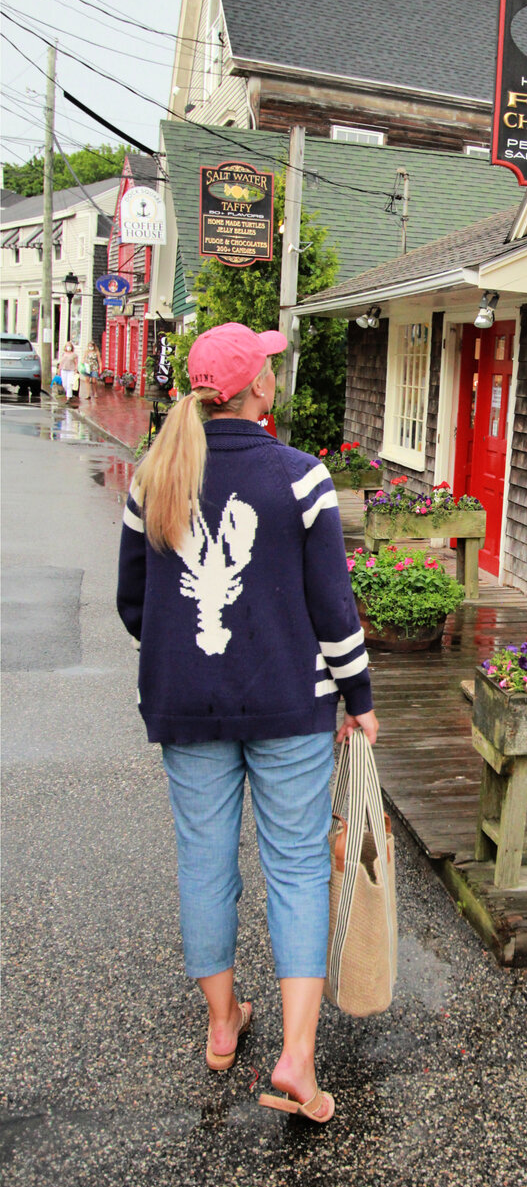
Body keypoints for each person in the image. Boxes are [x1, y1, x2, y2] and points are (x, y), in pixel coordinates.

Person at [117, 322, 377, 1124]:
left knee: (204, 861)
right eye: (268, 365)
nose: (273, 373)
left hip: (184, 704)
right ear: (256, 388)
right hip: (289, 706)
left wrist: (193, 662)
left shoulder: (151, 478)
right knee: (297, 866)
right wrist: (359, 700)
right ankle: (297, 1058)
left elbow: (137, 605)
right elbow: (332, 606)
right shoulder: (301, 479)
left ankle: (223, 1025)